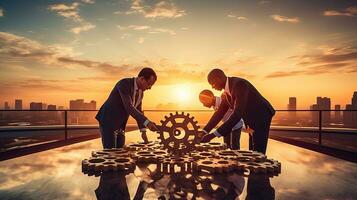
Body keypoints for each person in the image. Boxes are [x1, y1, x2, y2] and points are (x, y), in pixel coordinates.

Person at [201, 69, 275, 154]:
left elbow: (237, 115)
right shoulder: (226, 93)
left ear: (218, 79)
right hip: (251, 119)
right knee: (253, 151)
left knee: (258, 151)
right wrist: (204, 131)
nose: (212, 87)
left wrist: (213, 135)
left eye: (213, 84)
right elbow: (219, 113)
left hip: (261, 116)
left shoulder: (239, 85)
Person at [95, 67, 159, 149]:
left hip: (121, 124)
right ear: (142, 78)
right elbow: (129, 107)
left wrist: (143, 130)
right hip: (108, 121)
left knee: (120, 150)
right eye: (149, 84)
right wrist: (147, 122)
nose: (149, 88)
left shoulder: (141, 93)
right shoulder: (124, 84)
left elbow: (138, 110)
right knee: (110, 152)